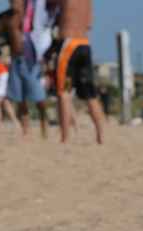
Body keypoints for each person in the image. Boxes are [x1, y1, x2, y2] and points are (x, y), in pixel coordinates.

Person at [0, 0, 53, 139]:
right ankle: (26, 130)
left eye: (16, 2)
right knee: (20, 99)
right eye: (11, 2)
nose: (14, 5)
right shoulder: (8, 19)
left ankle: (44, 119)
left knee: (39, 99)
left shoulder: (33, 17)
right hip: (15, 60)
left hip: (31, 60)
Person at [52, 0, 105, 144]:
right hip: (85, 44)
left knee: (64, 92)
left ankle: (65, 138)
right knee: (90, 94)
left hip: (69, 45)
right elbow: (89, 24)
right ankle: (101, 136)